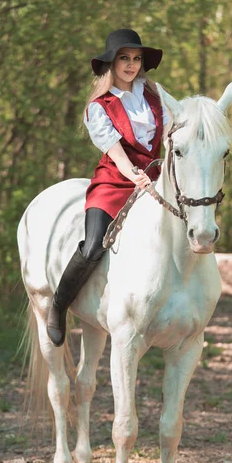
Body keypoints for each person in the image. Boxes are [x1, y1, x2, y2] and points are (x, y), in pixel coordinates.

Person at [46, 28, 168, 346]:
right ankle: (58, 306)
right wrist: (135, 175)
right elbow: (117, 154)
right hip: (115, 182)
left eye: (136, 58)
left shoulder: (157, 98)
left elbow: (172, 138)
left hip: (154, 182)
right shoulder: (99, 107)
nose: (130, 64)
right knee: (93, 247)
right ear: (111, 63)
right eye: (124, 58)